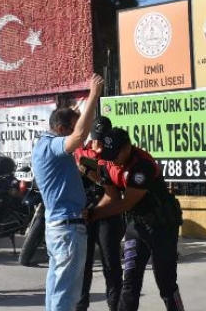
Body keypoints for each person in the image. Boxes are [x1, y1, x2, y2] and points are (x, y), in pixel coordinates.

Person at [90, 127, 184, 311]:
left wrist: (94, 215)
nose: (111, 160)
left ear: (126, 149)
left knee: (166, 282)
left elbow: (125, 203)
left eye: (115, 155)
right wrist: (91, 211)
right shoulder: (109, 162)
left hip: (162, 226)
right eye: (108, 155)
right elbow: (112, 197)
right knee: (130, 281)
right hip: (136, 226)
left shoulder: (142, 166)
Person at [31, 74, 104, 310]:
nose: (81, 133)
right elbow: (79, 136)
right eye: (74, 126)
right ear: (60, 128)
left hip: (61, 227)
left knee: (56, 290)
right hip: (67, 230)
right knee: (66, 295)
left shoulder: (44, 148)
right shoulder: (52, 146)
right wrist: (93, 95)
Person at [74, 116, 124, 311]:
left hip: (107, 213)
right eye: (96, 139)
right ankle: (80, 307)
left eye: (103, 140)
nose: (99, 145)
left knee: (111, 264)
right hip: (84, 213)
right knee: (83, 266)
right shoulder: (80, 151)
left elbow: (117, 189)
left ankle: (115, 306)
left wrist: (94, 171)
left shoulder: (115, 155)